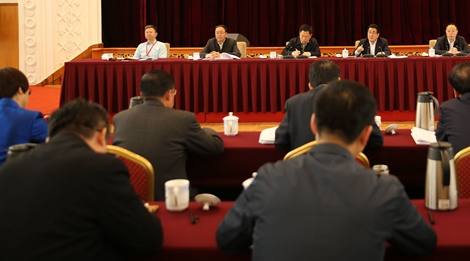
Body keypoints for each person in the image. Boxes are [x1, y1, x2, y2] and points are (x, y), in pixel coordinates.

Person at [216, 80, 436, 259]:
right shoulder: (385, 190)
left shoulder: (268, 178)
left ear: (313, 124)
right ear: (366, 135)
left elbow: (227, 239)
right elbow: (424, 242)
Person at [0, 98, 163, 259]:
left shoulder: (9, 168)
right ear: (101, 136)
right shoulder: (102, 167)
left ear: (49, 137)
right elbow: (147, 238)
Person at [113, 70, 224, 200]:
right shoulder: (183, 119)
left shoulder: (120, 118)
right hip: (172, 199)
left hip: (128, 198)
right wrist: (208, 130)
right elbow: (215, 147)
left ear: (141, 94)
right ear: (168, 94)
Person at [275, 60, 383, 151]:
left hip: (303, 167)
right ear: (339, 80)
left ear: (310, 86)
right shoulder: (356, 99)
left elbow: (281, 142)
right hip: (347, 166)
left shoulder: (294, 103)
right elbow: (376, 141)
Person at [0, 67, 48, 166]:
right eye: (29, 93)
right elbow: (58, 142)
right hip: (11, 173)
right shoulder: (29, 118)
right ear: (20, 90)